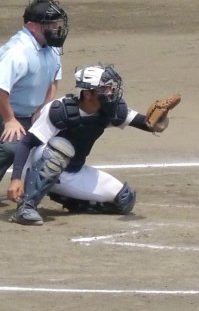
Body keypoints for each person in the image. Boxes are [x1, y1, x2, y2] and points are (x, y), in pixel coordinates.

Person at [7, 64, 170, 225]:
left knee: (124, 199)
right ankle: (26, 207)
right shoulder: (60, 110)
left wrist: (159, 121)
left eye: (110, 88)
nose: (111, 92)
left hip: (72, 171)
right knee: (59, 148)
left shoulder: (109, 110)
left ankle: (70, 199)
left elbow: (145, 123)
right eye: (104, 89)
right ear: (88, 94)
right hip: (37, 166)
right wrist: (16, 179)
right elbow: (26, 143)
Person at [0, 0, 69, 185]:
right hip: (5, 110)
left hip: (28, 113)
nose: (57, 28)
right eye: (51, 24)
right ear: (32, 26)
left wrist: (43, 108)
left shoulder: (51, 47)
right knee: (11, 146)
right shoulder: (17, 52)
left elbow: (54, 79)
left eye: (58, 23)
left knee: (63, 137)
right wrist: (9, 120)